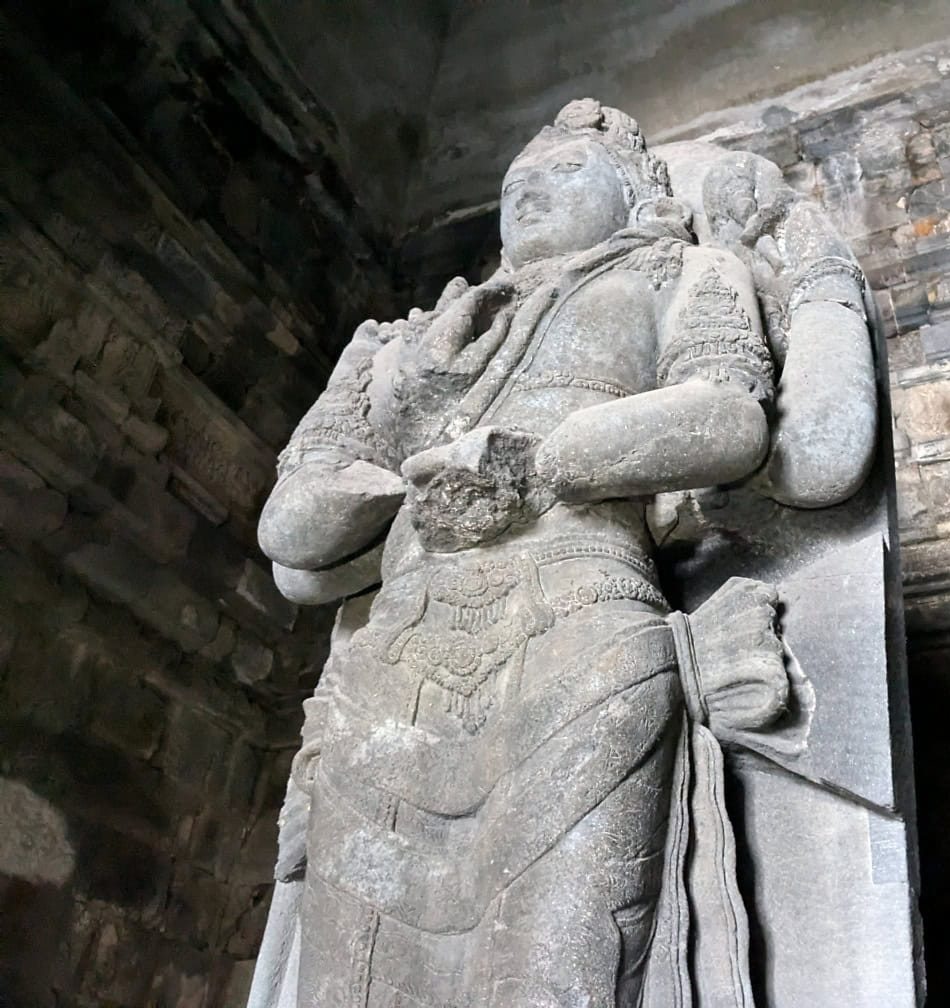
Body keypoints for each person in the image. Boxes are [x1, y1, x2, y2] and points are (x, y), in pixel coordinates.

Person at [251, 99, 792, 1008]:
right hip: (392, 668)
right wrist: (406, 465)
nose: (531, 196)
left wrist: (547, 462)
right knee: (354, 980)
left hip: (580, 631)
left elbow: (729, 417)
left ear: (631, 194)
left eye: (562, 176)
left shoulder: (679, 272)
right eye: (515, 186)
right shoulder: (401, 344)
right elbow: (292, 533)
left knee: (559, 966)